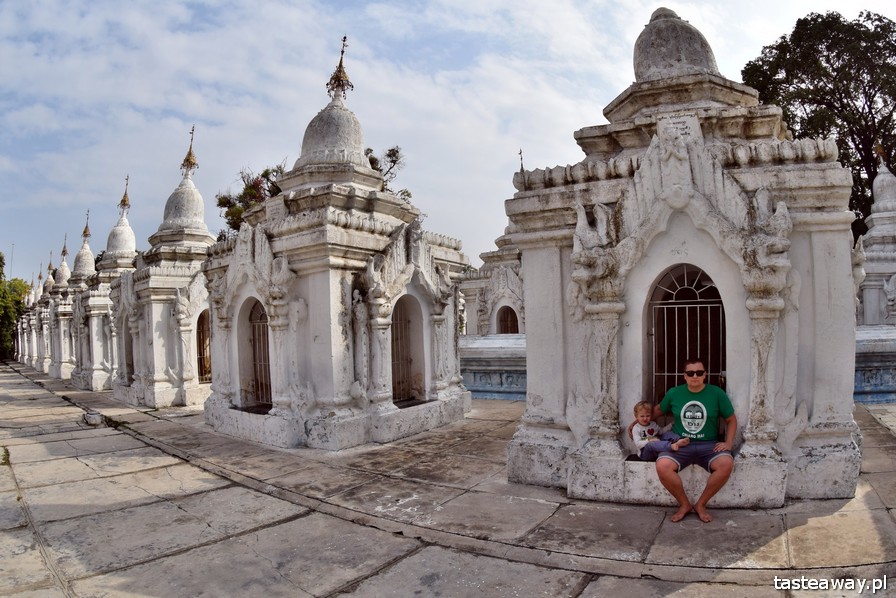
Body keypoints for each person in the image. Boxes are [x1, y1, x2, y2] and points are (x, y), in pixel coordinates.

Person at [640, 358, 736, 523]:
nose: (695, 376)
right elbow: (657, 410)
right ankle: (684, 504)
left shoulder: (717, 393)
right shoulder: (674, 393)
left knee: (726, 464)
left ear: (705, 374)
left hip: (709, 445)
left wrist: (728, 443)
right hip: (680, 444)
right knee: (662, 466)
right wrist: (637, 422)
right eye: (690, 373)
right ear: (684, 376)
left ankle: (701, 504)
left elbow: (731, 420)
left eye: (699, 372)